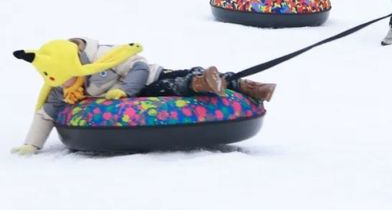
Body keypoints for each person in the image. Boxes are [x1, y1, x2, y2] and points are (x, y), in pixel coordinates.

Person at [10, 37, 276, 155]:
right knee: (177, 86)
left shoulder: (102, 56)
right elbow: (46, 113)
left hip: (147, 77)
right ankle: (202, 83)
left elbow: (137, 65)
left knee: (180, 76)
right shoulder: (61, 85)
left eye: (68, 77)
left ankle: (249, 86)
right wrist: (32, 145)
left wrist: (124, 91)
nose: (64, 84)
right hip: (143, 93)